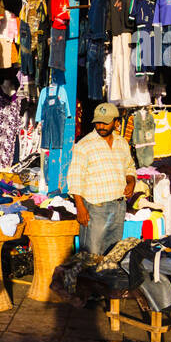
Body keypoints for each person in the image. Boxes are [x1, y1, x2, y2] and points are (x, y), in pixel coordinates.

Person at [67, 102, 136, 257]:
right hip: (95, 208)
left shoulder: (122, 143)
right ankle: (88, 281)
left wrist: (131, 181)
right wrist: (80, 207)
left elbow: (130, 167)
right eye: (98, 122)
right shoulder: (84, 145)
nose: (101, 126)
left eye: (105, 122)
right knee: (91, 256)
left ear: (116, 122)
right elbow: (75, 178)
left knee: (112, 255)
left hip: (118, 206)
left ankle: (106, 281)